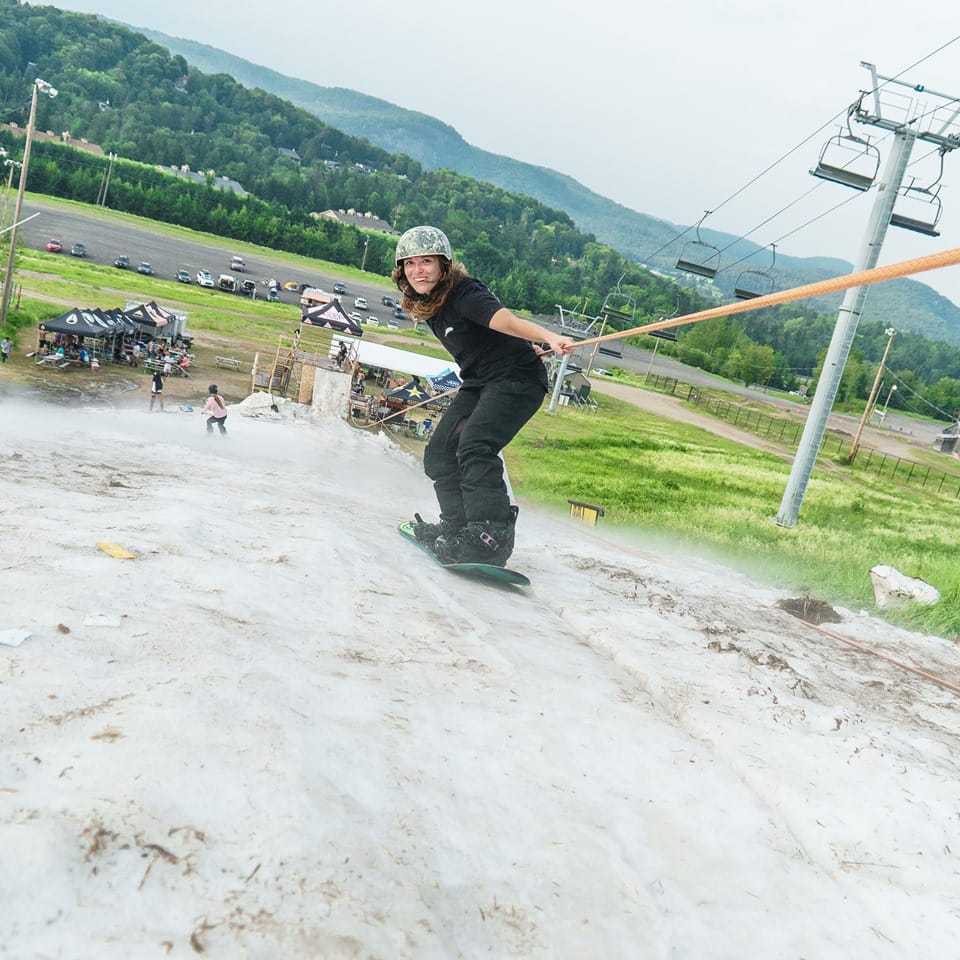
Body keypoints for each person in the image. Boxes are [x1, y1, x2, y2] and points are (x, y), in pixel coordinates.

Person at [392, 225, 575, 566]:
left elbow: (504, 321)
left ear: (444, 265)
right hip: (482, 380)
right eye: (410, 263)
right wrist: (522, 347)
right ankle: (459, 528)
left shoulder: (464, 292)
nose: (418, 270)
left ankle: (490, 537)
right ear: (401, 270)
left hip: (517, 380)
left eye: (427, 261)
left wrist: (547, 336)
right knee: (439, 453)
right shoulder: (428, 301)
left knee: (475, 445)